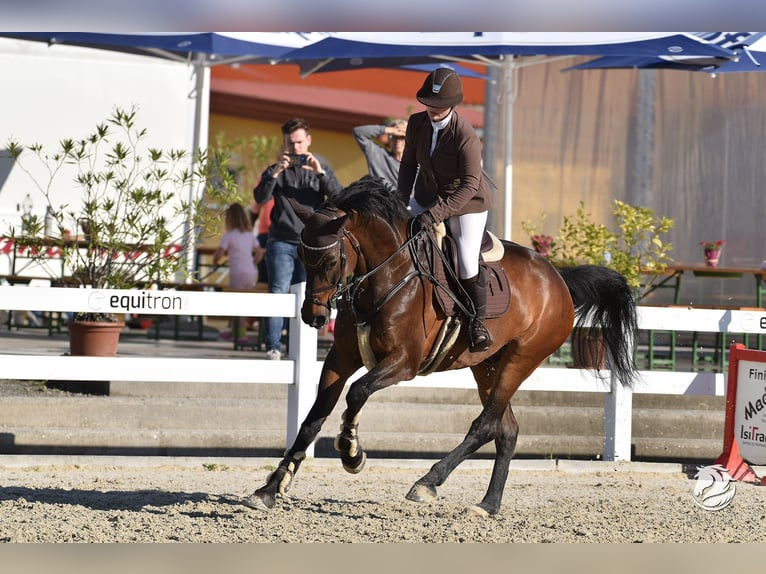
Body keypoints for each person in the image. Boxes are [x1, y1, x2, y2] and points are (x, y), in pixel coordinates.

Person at [397, 68, 495, 353]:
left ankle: (478, 322)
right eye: (429, 103)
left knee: (466, 259)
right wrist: (401, 202)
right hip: (427, 196)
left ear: (452, 105)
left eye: (439, 105)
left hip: (467, 204)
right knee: (397, 233)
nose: (433, 109)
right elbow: (407, 166)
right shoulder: (416, 123)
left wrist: (436, 214)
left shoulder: (465, 134)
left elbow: (469, 184)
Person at [254, 117, 343, 360]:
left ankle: (299, 347)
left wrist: (321, 173)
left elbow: (340, 198)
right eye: (291, 143)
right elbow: (260, 198)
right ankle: (273, 346)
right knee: (278, 292)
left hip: (311, 244)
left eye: (300, 142)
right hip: (281, 241)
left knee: (307, 293)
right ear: (284, 144)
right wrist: (275, 173)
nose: (296, 148)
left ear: (308, 141)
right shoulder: (276, 170)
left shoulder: (320, 167)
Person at [213, 202, 264, 342]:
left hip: (237, 273)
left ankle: (240, 334)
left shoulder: (229, 236)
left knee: (236, 304)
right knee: (245, 303)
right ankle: (236, 332)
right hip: (250, 273)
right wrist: (253, 263)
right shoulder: (249, 235)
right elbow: (259, 252)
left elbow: (219, 253)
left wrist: (215, 263)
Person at [352, 118, 407, 186]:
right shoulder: (378, 154)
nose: (397, 141)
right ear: (389, 139)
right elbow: (358, 132)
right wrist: (390, 130)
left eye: (402, 137)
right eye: (394, 137)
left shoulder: (417, 164)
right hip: (381, 195)